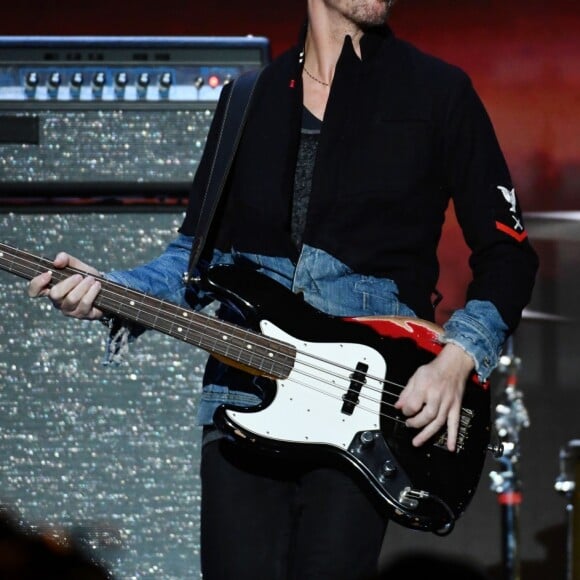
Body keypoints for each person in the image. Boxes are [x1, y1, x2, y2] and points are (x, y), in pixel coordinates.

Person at [27, 0, 539, 578]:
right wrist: (109, 288)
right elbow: (192, 262)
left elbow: (507, 254)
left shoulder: (438, 92)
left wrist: (458, 357)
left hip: (365, 410)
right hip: (242, 400)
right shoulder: (248, 99)